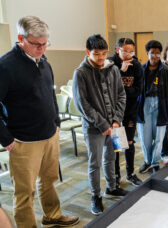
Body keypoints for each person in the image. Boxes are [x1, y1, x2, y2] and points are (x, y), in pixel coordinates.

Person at [0, 16, 79, 228]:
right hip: (23, 141)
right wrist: (5, 137)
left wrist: (56, 121)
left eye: (45, 44)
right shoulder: (5, 66)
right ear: (21, 38)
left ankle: (52, 215)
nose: (42, 49)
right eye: (36, 44)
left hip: (49, 134)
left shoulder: (44, 63)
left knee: (49, 180)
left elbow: (50, 95)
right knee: (25, 192)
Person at [72, 34, 128, 216]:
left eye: (104, 53)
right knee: (95, 163)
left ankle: (112, 187)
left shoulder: (113, 69)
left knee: (111, 158)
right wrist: (103, 124)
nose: (101, 58)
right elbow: (83, 105)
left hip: (115, 124)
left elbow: (121, 95)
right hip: (94, 128)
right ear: (88, 52)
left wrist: (116, 119)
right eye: (97, 54)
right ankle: (96, 196)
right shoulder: (80, 73)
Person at [137, 40, 168, 174]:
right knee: (145, 138)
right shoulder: (141, 70)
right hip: (144, 105)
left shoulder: (167, 71)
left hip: (162, 105)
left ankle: (154, 163)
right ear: (147, 53)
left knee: (159, 138)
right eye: (152, 53)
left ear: (161, 54)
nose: (154, 56)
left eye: (157, 54)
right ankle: (148, 161)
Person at [108, 38, 143, 187]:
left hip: (131, 110)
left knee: (129, 142)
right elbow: (108, 89)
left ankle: (130, 173)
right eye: (125, 51)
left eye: (131, 51)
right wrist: (119, 71)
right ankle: (116, 176)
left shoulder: (136, 65)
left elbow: (139, 90)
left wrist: (123, 92)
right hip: (115, 112)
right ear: (117, 50)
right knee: (117, 144)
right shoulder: (110, 64)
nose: (129, 54)